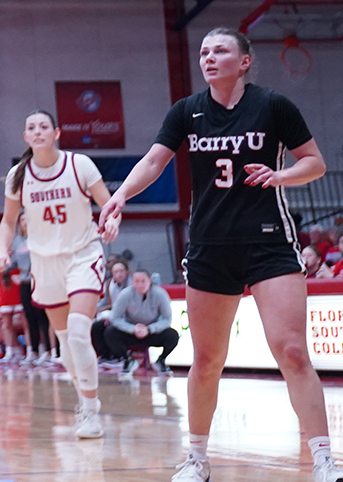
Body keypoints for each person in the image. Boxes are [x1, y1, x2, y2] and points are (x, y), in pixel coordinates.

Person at [99, 28, 338, 482]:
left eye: (221, 50)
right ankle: (197, 458)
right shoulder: (187, 111)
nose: (209, 58)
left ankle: (323, 458)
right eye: (205, 52)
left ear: (244, 61)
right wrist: (120, 195)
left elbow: (316, 163)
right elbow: (154, 161)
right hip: (210, 245)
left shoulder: (272, 106)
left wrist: (279, 175)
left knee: (291, 351)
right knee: (207, 360)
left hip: (269, 242)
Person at [0, 110, 116, 438]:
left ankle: (91, 411)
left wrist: (112, 219)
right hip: (45, 263)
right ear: (25, 136)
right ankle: (83, 400)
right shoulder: (19, 174)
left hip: (83, 254)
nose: (37, 132)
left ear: (56, 132)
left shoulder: (79, 165)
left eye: (43, 126)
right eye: (30, 127)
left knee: (78, 331)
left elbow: (108, 203)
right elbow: (8, 221)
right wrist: (2, 249)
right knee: (66, 345)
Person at [106, 269, 178, 374]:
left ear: (149, 281)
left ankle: (161, 361)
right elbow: (115, 318)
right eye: (137, 281)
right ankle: (127, 360)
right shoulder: (125, 294)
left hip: (152, 332)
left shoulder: (160, 294)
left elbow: (167, 319)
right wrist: (132, 329)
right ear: (132, 282)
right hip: (130, 332)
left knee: (172, 335)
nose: (140, 284)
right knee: (110, 332)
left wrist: (149, 329)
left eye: (143, 281)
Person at [93, 259, 132, 367]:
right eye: (116, 272)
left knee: (110, 330)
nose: (119, 274)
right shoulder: (109, 284)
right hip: (115, 316)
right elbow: (103, 303)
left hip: (130, 318)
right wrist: (95, 310)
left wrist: (113, 318)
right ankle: (106, 356)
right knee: (96, 326)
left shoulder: (133, 284)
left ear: (127, 272)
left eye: (121, 271)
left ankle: (121, 356)